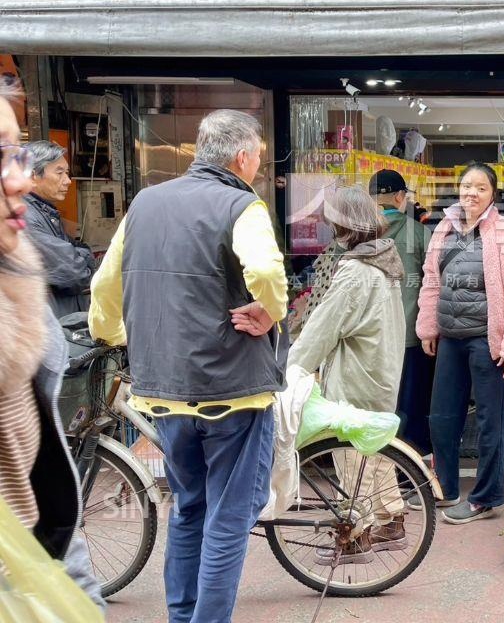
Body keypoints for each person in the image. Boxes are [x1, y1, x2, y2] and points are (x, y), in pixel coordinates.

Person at [90, 108, 288, 623]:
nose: (258, 166)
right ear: (243, 156)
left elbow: (103, 288)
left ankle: (183, 617)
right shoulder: (242, 204)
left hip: (165, 390)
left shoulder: (144, 204)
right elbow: (266, 269)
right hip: (234, 391)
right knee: (228, 519)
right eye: (259, 157)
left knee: (188, 509)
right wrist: (272, 312)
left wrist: (116, 336)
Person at [0, 95, 104, 609]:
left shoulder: (17, 283)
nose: (15, 177)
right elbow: (75, 266)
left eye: (16, 152)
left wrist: (77, 596)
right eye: (1, 154)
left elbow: (44, 486)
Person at [288, 185, 407, 561]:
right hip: (381, 367)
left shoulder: (355, 270)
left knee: (352, 456)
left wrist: (291, 370)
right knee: (375, 447)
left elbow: (322, 329)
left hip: (357, 372)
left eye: (332, 223)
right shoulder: (385, 258)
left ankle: (356, 537)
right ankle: (392, 519)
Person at [416, 162, 504, 524]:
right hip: (451, 337)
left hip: (488, 340)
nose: (471, 193)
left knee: (489, 421)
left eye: (480, 188)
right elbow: (431, 280)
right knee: (442, 417)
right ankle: (446, 487)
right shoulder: (445, 228)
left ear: (492, 194)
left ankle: (486, 497)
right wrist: (428, 327)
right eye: (467, 186)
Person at [369, 169, 434, 455]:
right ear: (399, 197)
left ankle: (378, 454)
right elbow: (435, 281)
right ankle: (411, 457)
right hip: (410, 332)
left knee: (377, 400)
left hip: (369, 334)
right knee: (413, 399)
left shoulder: (355, 234)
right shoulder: (420, 233)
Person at [23, 140, 96, 317]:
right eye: (60, 173)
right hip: (48, 327)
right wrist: (83, 254)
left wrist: (78, 253)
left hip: (62, 322)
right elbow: (75, 273)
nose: (68, 181)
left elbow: (74, 257)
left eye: (67, 173)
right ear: (33, 175)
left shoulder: (46, 212)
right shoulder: (25, 217)